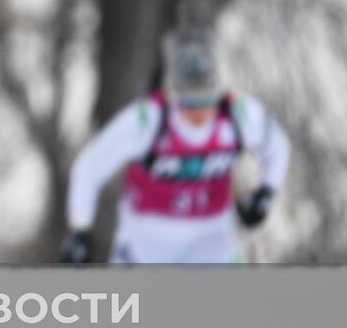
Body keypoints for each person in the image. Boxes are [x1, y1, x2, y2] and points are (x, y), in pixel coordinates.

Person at [59, 28, 290, 264]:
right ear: (172, 96)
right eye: (190, 103)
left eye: (207, 100)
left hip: (212, 240)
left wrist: (265, 193)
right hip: (146, 244)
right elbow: (90, 167)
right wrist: (80, 229)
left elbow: (278, 146)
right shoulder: (146, 120)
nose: (200, 113)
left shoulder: (237, 115)